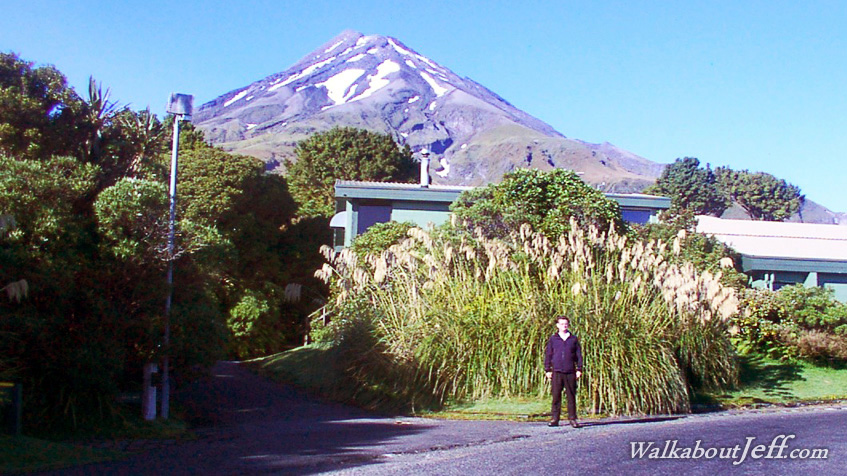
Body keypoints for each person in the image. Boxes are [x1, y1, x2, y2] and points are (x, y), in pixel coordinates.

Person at [544, 315, 583, 428]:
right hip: (557, 371)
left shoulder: (573, 339)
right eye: (561, 324)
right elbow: (548, 355)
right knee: (556, 396)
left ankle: (573, 419)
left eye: (566, 324)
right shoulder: (553, 339)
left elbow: (578, 355)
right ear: (557, 326)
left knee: (571, 396)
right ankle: (555, 418)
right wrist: (547, 369)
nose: (564, 326)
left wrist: (579, 369)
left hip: (570, 371)